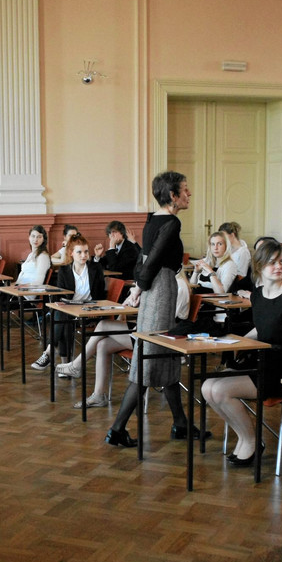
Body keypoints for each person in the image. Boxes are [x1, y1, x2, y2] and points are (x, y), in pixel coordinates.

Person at [201, 243, 282, 466]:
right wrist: (239, 341)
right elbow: (261, 329)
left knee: (219, 390)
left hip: (281, 366)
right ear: (259, 266)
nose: (278, 267)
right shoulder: (257, 295)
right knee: (206, 387)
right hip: (259, 359)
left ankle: (252, 441)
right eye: (272, 262)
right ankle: (245, 437)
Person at [104, 171, 202, 448]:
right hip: (159, 289)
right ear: (172, 196)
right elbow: (153, 259)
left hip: (155, 289)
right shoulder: (171, 222)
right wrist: (140, 287)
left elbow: (143, 258)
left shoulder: (152, 219)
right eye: (185, 189)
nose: (189, 193)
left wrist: (139, 286)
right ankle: (117, 428)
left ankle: (181, 423)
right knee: (149, 357)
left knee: (163, 354)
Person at [57, 273, 191, 405]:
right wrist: (136, 300)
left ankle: (77, 365)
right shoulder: (162, 284)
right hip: (145, 330)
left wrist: (140, 303)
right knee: (102, 345)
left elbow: (164, 320)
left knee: (103, 325)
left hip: (161, 338)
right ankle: (98, 395)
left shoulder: (178, 286)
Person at [31, 235, 106, 369]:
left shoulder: (95, 268)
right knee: (62, 315)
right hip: (70, 309)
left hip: (90, 311)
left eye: (86, 251)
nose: (83, 255)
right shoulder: (64, 271)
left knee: (61, 317)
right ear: (71, 253)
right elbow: (61, 295)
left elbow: (100, 294)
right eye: (79, 252)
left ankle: (51, 354)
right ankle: (64, 364)